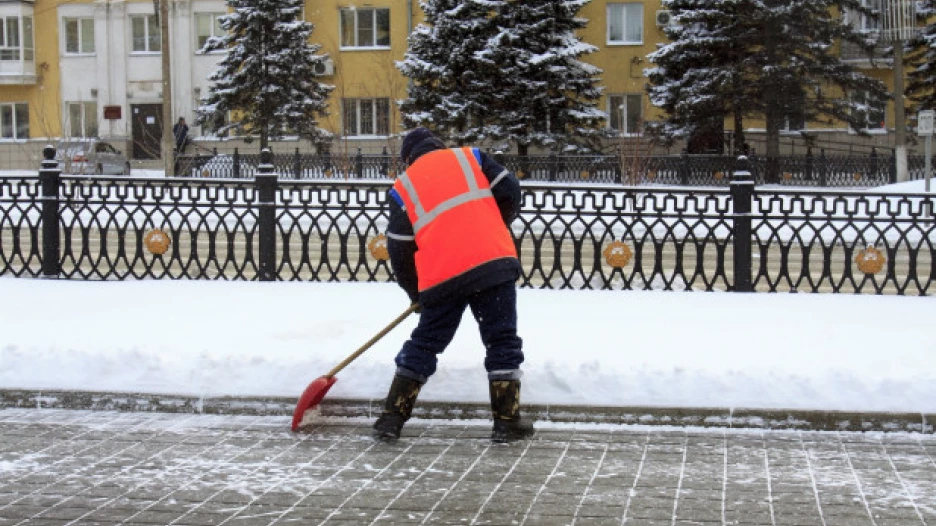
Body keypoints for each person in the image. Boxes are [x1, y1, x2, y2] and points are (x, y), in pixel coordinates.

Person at [374, 127, 534, 443]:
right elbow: (510, 189)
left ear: (408, 159)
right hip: (492, 264)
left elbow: (400, 248)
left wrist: (416, 293)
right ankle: (506, 422)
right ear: (439, 146)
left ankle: (392, 417)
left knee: (426, 342)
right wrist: (493, 223)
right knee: (501, 339)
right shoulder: (470, 157)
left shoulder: (402, 188)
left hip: (443, 276)